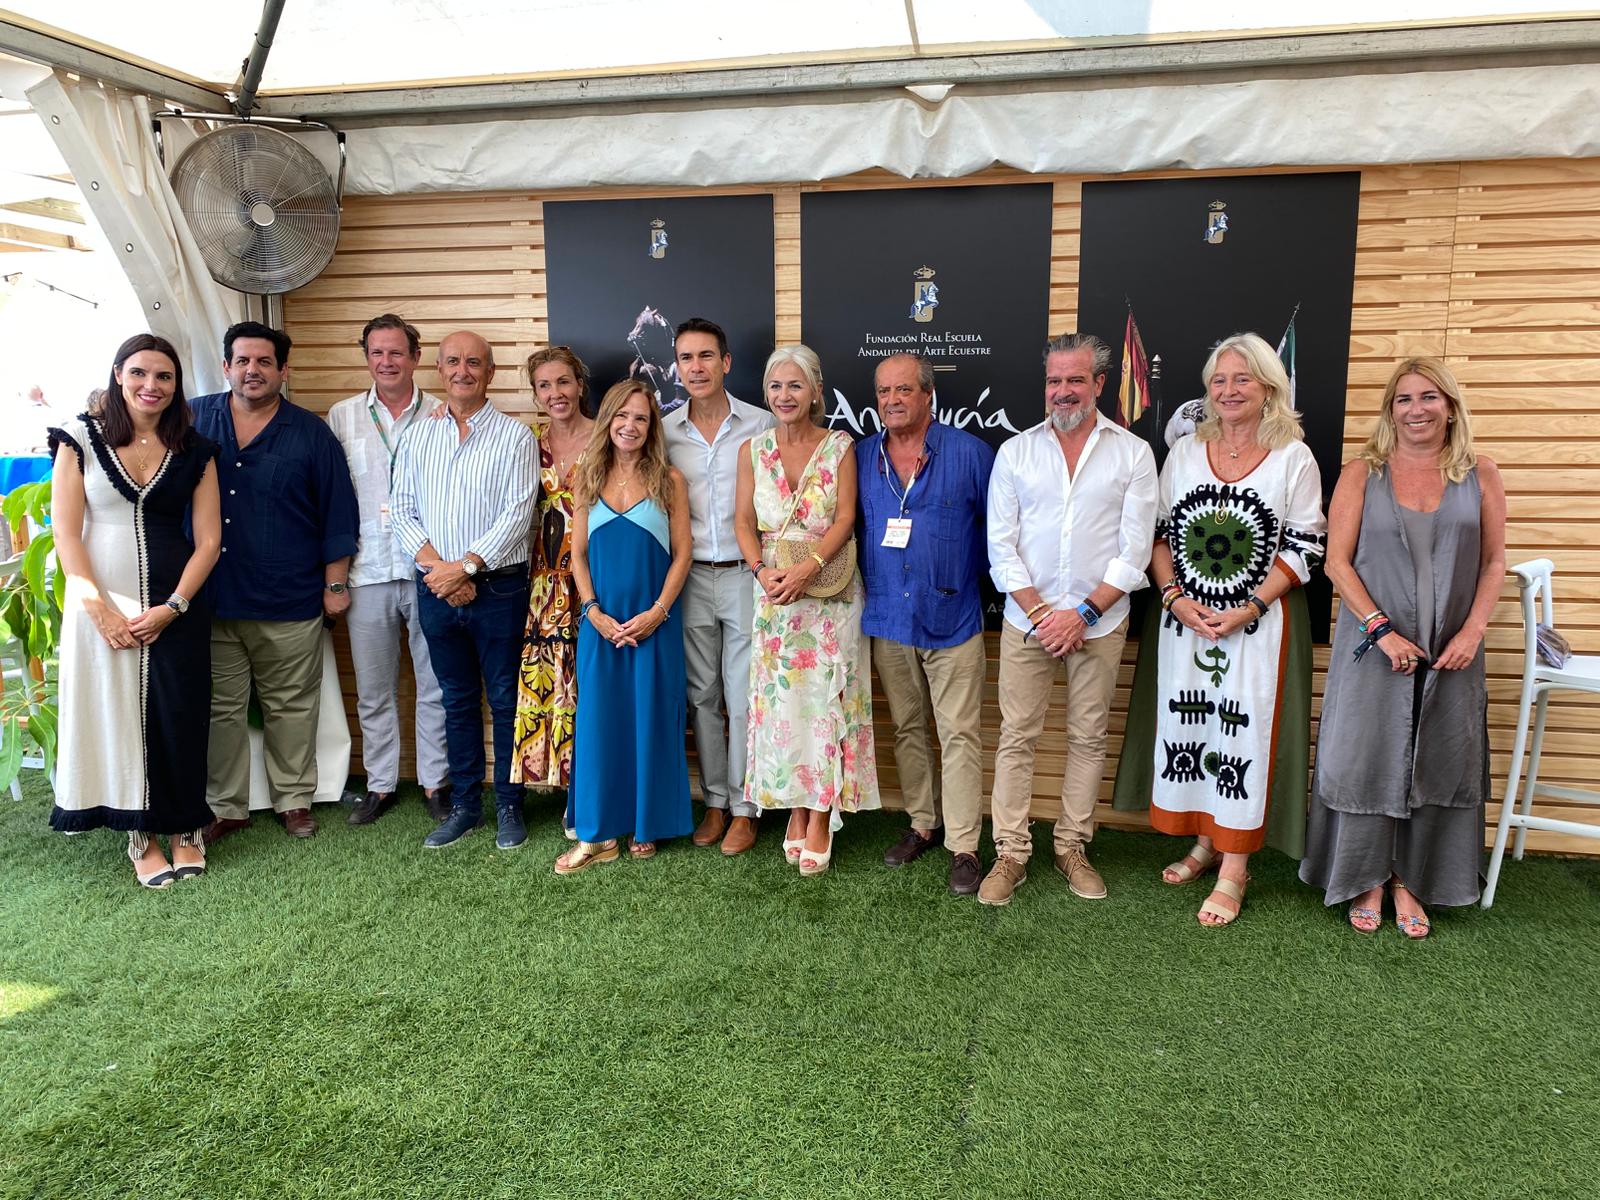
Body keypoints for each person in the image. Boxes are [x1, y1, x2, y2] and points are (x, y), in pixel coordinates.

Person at [1113, 332, 1326, 926]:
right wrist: (1175, 598)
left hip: (1258, 628)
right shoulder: (1183, 454)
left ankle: (1235, 867)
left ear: (1268, 388)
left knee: (1243, 736)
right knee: (1195, 728)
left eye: (1243, 380)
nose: (1229, 391)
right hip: (1186, 623)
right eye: (1219, 381)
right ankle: (1206, 842)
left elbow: (1306, 546)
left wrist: (1249, 608)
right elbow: (1156, 535)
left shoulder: (1294, 457)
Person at [1300, 358, 1505, 937]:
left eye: (1429, 397)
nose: (1416, 410)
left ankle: (1413, 881)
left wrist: (1471, 634)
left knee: (1441, 754)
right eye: (1403, 399)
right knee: (1368, 753)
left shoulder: (1481, 473)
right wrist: (1381, 631)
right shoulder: (1362, 473)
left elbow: (1494, 562)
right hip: (1373, 645)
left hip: (1452, 649)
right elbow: (1336, 563)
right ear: (1390, 410)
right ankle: (1366, 875)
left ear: (1450, 406)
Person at [980, 333, 1158, 906]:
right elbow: (1000, 546)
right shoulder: (1016, 452)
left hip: (1099, 623)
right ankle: (1010, 852)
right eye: (1054, 381)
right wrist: (1041, 613)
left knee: (1087, 737)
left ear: (1099, 384)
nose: (1062, 392)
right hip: (1026, 619)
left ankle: (1072, 845)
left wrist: (1081, 613)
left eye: (1074, 380)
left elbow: (1134, 553)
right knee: (1016, 737)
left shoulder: (1132, 454)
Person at [47, 334, 221, 886]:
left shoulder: (195, 449)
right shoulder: (78, 440)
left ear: (176, 385)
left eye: (164, 376)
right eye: (140, 373)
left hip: (178, 602)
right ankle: (140, 835)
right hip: (102, 600)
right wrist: (98, 610)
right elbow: (66, 534)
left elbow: (210, 540)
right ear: (119, 374)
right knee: (117, 714)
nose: (152, 386)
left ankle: (186, 829)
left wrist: (174, 606)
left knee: (180, 713)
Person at [191, 322, 360, 844]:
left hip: (288, 597)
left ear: (283, 370)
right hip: (210, 598)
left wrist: (335, 586)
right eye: (242, 361)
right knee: (220, 712)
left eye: (264, 362)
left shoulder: (311, 434)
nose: (252, 370)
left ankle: (293, 800)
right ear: (226, 367)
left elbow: (338, 514)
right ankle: (226, 806)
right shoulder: (192, 419)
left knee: (291, 707)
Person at [734, 345, 878, 876]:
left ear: (816, 391)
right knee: (784, 709)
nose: (784, 396)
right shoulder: (753, 449)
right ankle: (794, 806)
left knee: (824, 704)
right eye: (776, 387)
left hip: (829, 595)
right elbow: (743, 521)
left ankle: (821, 814)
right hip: (774, 597)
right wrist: (760, 568)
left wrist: (808, 567)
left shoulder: (840, 446)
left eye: (796, 386)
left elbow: (845, 518)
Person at [392, 330, 538, 851]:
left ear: (490, 373)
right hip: (434, 585)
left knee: (503, 699)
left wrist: (468, 568)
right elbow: (401, 510)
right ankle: (465, 807)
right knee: (455, 700)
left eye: (473, 362)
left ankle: (509, 806)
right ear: (438, 369)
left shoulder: (516, 438)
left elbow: (518, 515)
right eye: (452, 361)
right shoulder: (417, 437)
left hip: (498, 588)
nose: (462, 371)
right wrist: (441, 572)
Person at [856, 352, 995, 896]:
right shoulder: (862, 457)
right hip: (889, 617)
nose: (892, 400)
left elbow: (995, 534)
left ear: (928, 395)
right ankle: (922, 825)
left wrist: (963, 586)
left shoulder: (970, 455)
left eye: (904, 390)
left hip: (953, 618)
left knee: (960, 733)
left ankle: (964, 845)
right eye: (884, 392)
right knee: (908, 729)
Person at [557, 379, 693, 873]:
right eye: (621, 416)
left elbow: (683, 556)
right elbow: (577, 556)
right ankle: (600, 830)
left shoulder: (669, 481)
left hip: (654, 622)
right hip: (601, 622)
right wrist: (592, 611)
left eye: (640, 417)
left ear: (651, 425)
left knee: (651, 717)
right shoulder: (586, 478)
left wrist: (657, 613)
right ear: (608, 420)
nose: (630, 426)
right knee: (600, 722)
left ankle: (646, 824)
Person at [326, 314, 450, 825]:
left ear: (416, 358)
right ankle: (379, 785)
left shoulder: (443, 414)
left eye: (396, 352)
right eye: (377, 352)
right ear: (366, 358)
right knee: (374, 689)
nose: (387, 362)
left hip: (429, 568)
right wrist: (333, 576)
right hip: (368, 570)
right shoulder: (343, 416)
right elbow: (331, 499)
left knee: (435, 684)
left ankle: (435, 782)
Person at [662, 317, 776, 856]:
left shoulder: (761, 425)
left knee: (743, 693)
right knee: (701, 696)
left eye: (706, 356)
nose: (696, 367)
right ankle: (713, 801)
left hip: (744, 575)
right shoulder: (662, 432)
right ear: (676, 367)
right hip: (687, 579)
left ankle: (744, 809)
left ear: (726, 363)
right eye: (686, 358)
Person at [511, 346, 595, 798]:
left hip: (590, 578)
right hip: (542, 584)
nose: (555, 393)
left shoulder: (607, 436)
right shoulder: (528, 441)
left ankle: (592, 784)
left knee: (588, 683)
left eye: (563, 382)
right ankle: (563, 786)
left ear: (580, 385)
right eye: (544, 385)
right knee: (550, 680)